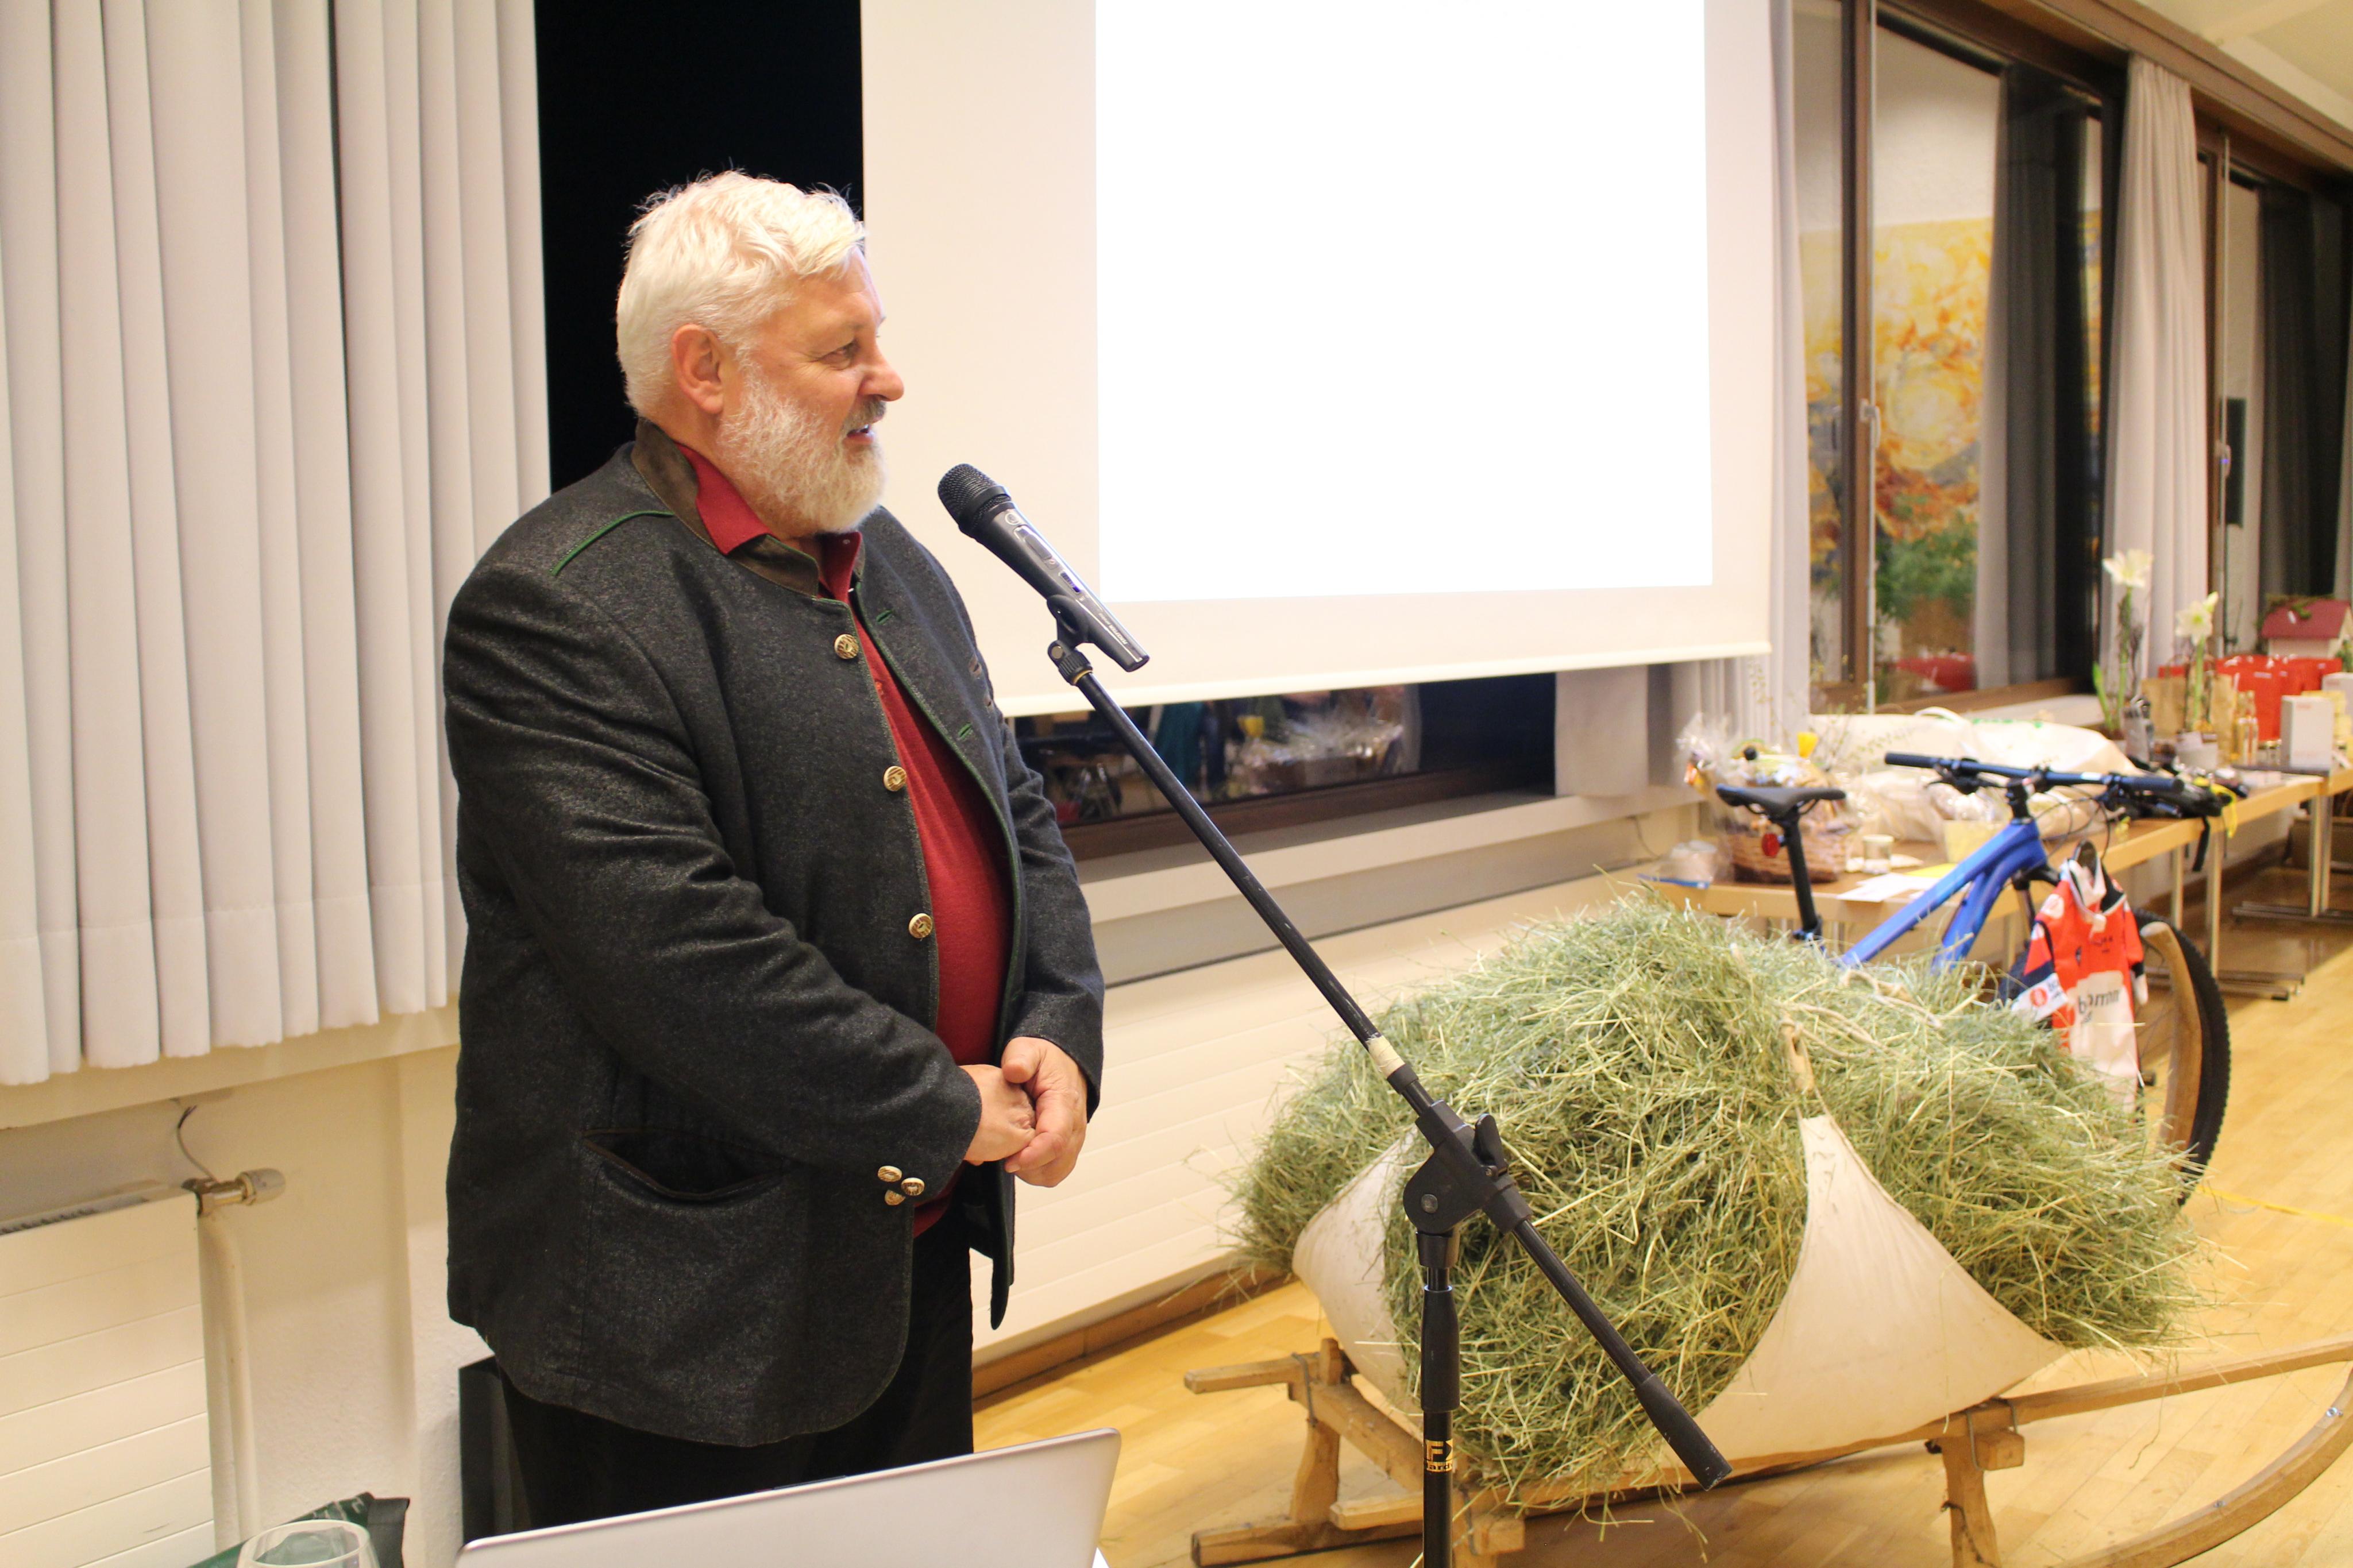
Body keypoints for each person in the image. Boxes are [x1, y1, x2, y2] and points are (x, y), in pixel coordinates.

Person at [440, 171, 1104, 1527]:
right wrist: (937, 1104)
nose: (888, 380)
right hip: (683, 1312)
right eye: (842, 350)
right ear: (704, 372)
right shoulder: (556, 604)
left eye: (876, 338)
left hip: (903, 1241)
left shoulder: (887, 554)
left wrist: (1057, 1022)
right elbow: (680, 962)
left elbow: (1012, 807)